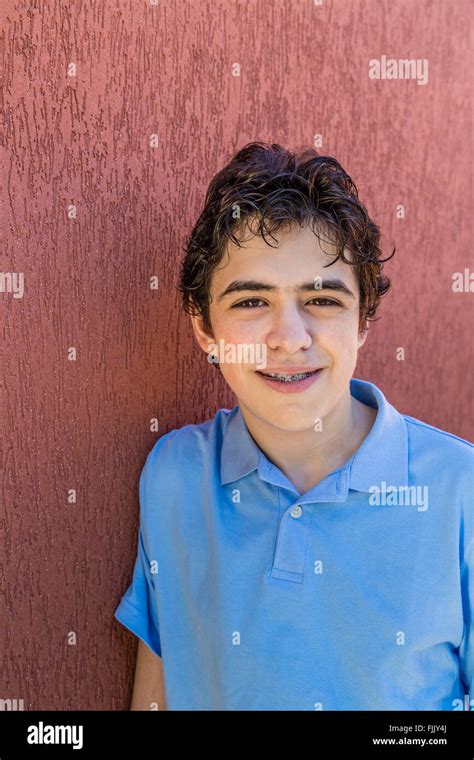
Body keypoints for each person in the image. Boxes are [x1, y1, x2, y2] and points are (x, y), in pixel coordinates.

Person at [114, 142, 473, 711]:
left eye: (322, 299)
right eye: (252, 301)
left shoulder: (460, 490)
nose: (290, 337)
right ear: (205, 330)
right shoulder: (175, 476)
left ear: (363, 322)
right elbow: (159, 688)